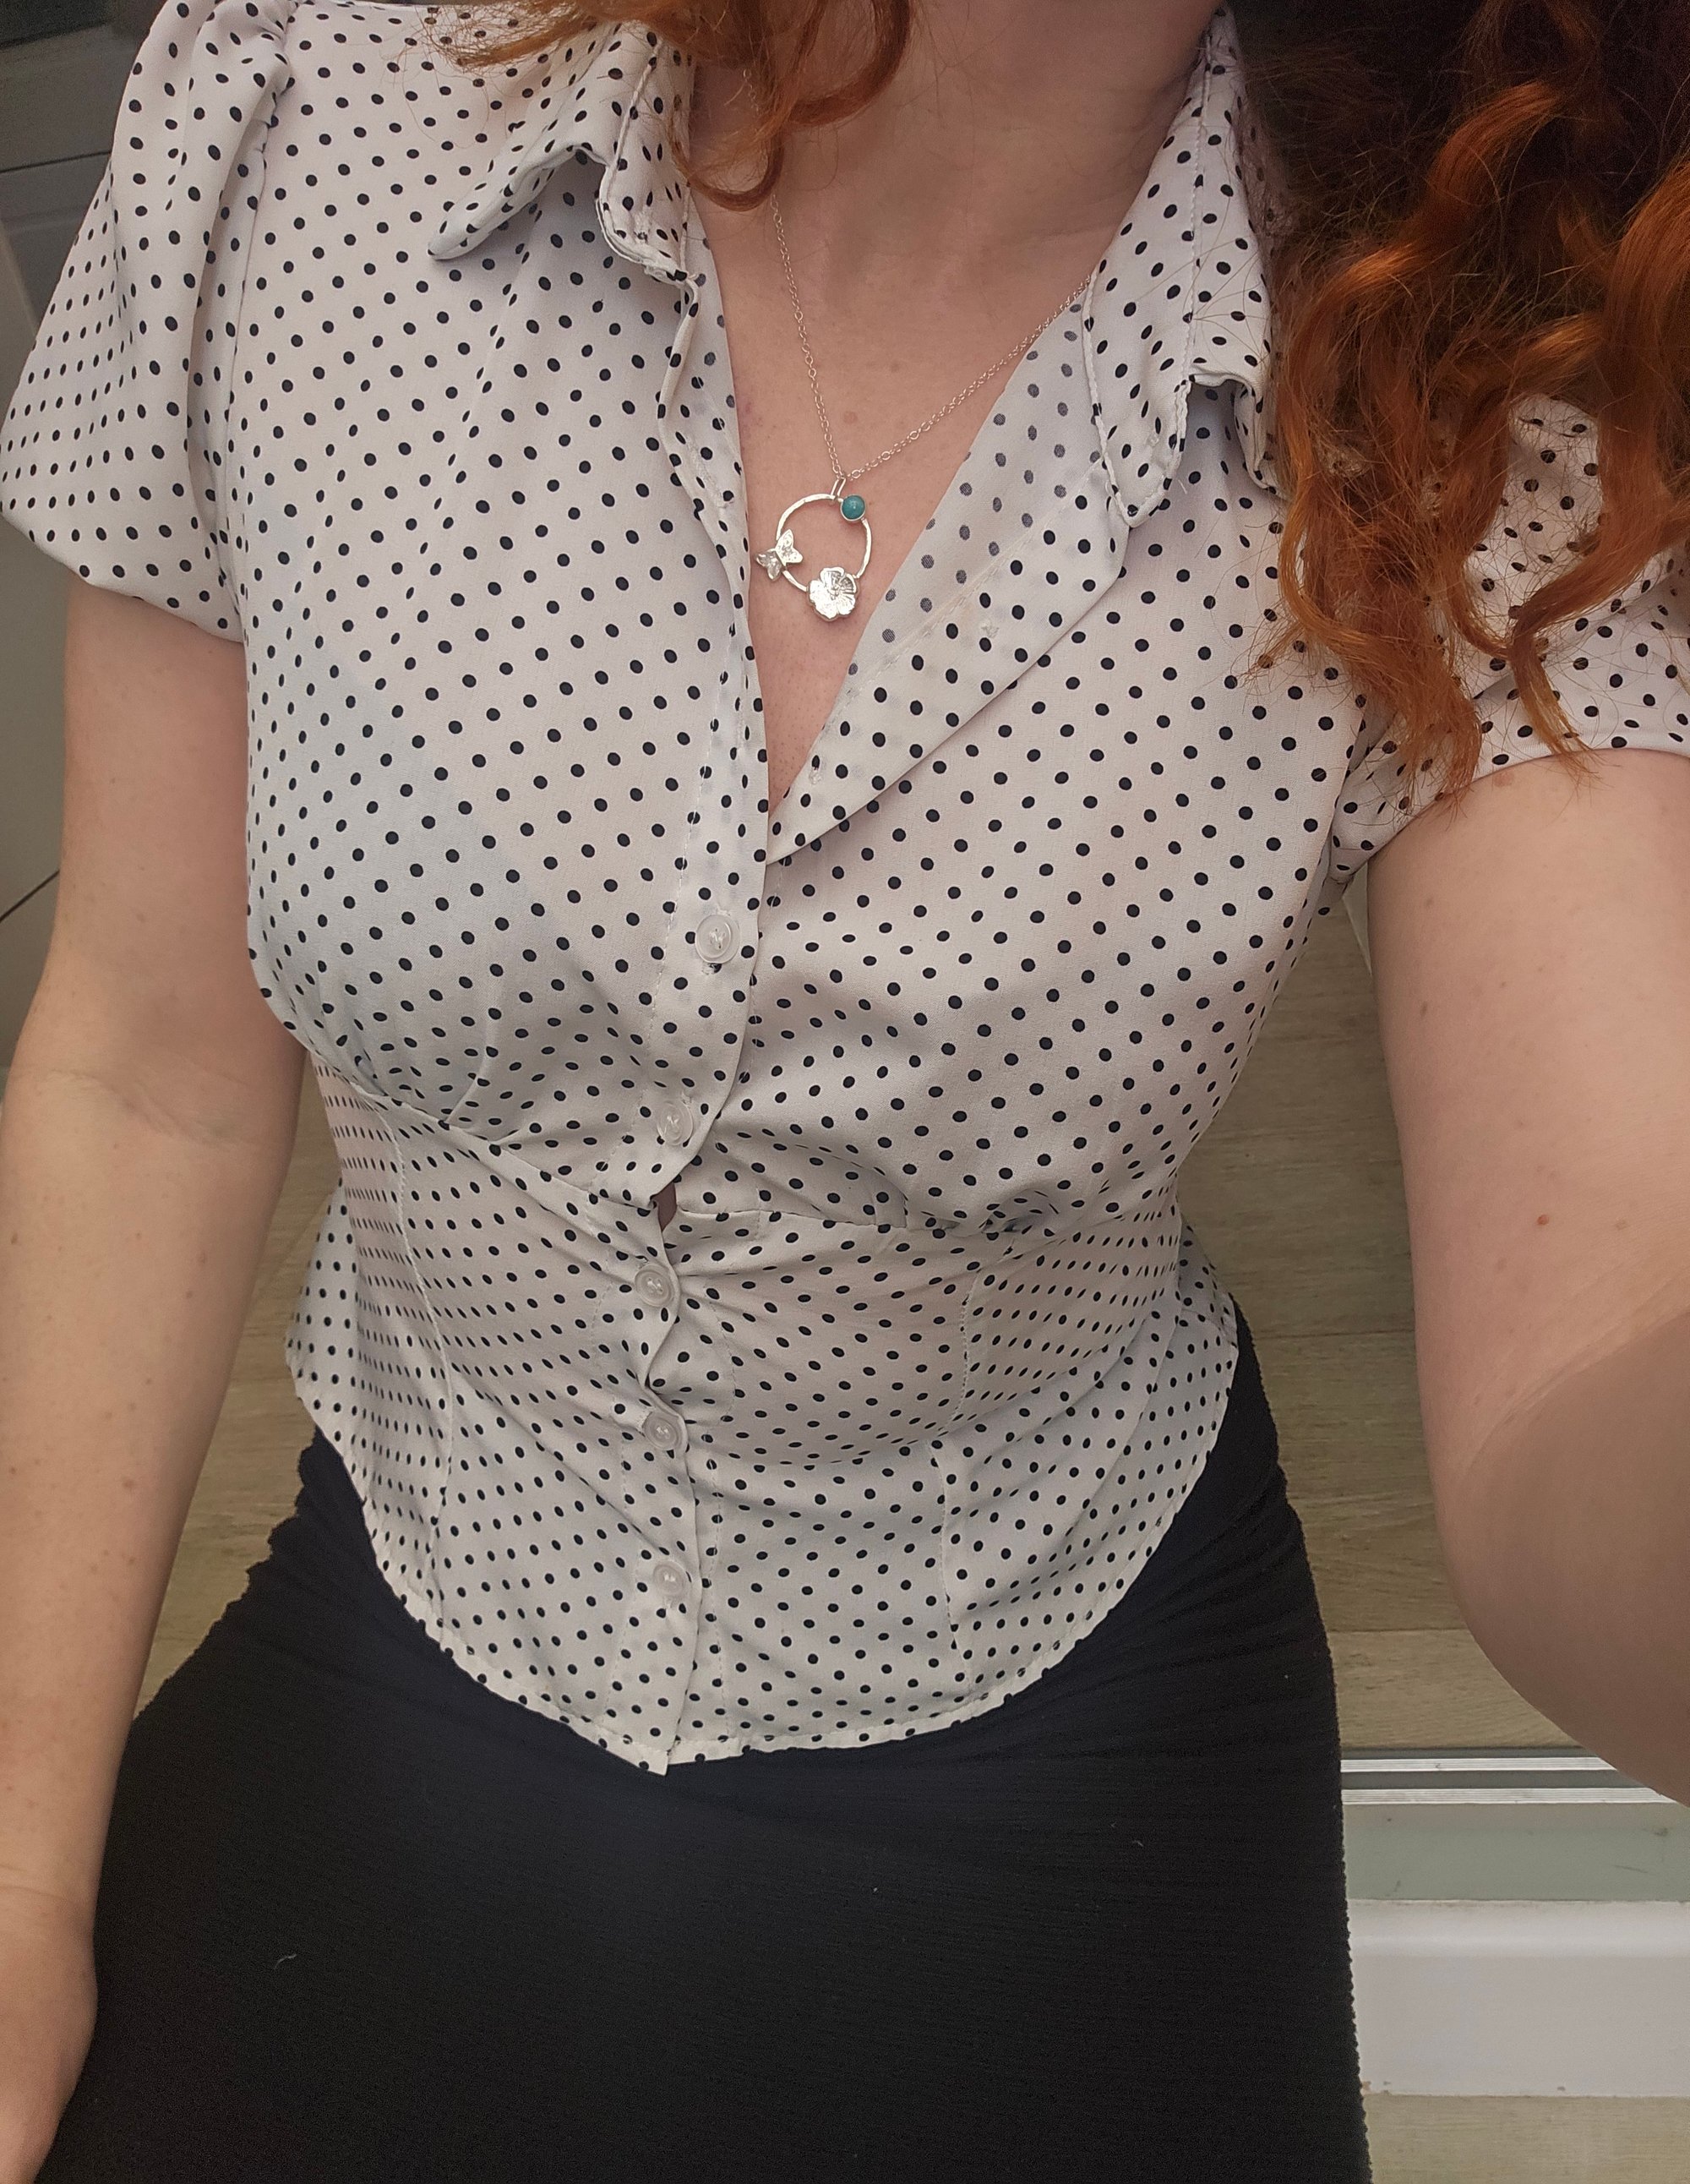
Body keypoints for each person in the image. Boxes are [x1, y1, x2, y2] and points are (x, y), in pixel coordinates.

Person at [1, 0, 1687, 2175]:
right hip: (424, 1564)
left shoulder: (1487, 352)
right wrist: (18, 1868)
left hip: (1059, 1662)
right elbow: (142, 1078)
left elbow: (1598, 1327)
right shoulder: (304, 93)